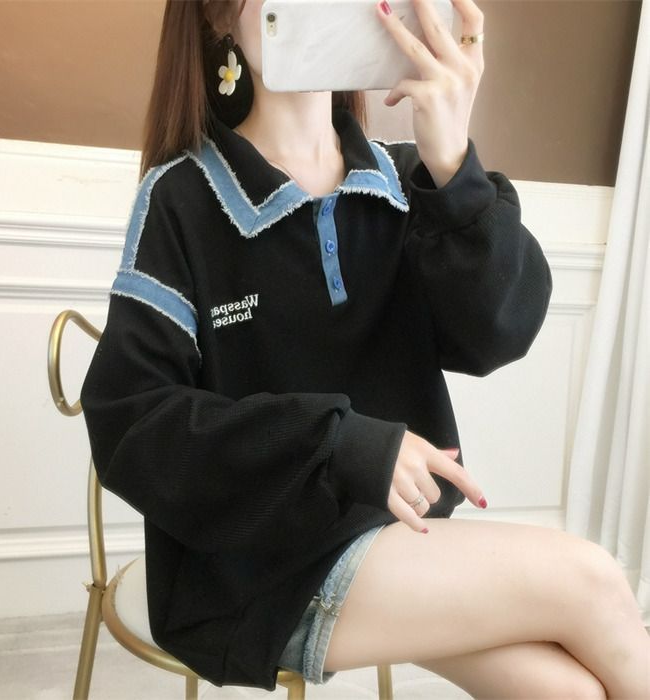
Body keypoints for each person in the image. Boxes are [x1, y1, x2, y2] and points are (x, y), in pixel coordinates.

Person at [80, 0, 650, 697]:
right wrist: (340, 445)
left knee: (567, 692)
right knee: (593, 581)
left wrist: (453, 163)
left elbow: (500, 332)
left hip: (396, 539)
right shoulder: (183, 199)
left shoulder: (405, 184)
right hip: (254, 569)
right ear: (221, 19)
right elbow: (133, 425)